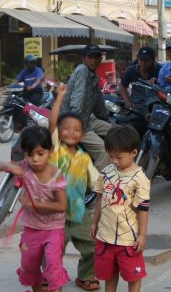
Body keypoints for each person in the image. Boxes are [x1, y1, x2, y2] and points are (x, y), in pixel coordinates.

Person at [0, 126, 69, 292]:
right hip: (32, 228)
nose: (35, 159)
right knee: (29, 263)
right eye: (30, 155)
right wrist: (6, 166)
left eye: (40, 154)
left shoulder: (56, 175)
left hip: (54, 229)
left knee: (53, 264)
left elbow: (61, 206)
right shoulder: (24, 167)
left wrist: (33, 204)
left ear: (50, 151)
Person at [47, 83, 102, 291]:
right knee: (53, 251)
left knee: (93, 247)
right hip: (55, 215)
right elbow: (52, 123)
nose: (70, 132)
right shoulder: (54, 150)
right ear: (59, 132)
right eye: (66, 128)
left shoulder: (84, 158)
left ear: (82, 135)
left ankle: (86, 275)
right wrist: (60, 97)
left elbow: (97, 182)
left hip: (79, 214)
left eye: (76, 129)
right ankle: (49, 277)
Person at [91, 125, 150, 292]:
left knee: (134, 275)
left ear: (134, 153)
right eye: (111, 156)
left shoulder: (140, 179)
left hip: (128, 240)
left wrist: (142, 236)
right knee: (109, 274)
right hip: (105, 236)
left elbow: (143, 210)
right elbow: (100, 198)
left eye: (119, 157)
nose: (114, 161)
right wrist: (95, 222)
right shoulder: (107, 172)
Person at [62, 44, 111, 170]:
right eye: (91, 57)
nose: (94, 60)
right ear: (84, 58)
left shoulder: (93, 77)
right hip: (75, 123)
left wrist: (107, 117)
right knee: (106, 150)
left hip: (88, 120)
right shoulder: (82, 71)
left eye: (97, 57)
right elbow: (77, 102)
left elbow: (99, 106)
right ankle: (96, 184)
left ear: (101, 59)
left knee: (118, 134)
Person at [118, 47, 160, 113]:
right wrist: (127, 101)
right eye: (141, 60)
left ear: (152, 60)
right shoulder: (131, 70)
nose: (143, 63)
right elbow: (122, 86)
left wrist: (159, 81)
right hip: (136, 107)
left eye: (146, 60)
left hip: (156, 108)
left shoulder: (160, 69)